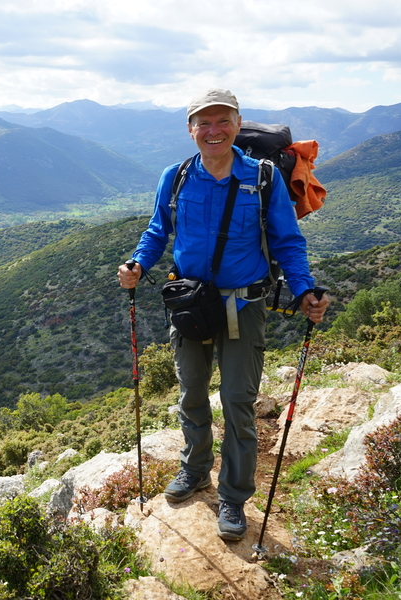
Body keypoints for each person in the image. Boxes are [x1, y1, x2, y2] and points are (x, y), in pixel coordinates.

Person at [117, 88, 328, 541]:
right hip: (190, 302)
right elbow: (159, 229)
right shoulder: (175, 177)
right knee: (191, 392)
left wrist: (305, 288)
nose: (213, 131)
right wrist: (137, 263)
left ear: (237, 123)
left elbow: (288, 241)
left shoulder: (264, 178)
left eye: (222, 121)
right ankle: (194, 470)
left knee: (237, 401)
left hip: (244, 303)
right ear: (191, 129)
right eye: (203, 123)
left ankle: (233, 496)